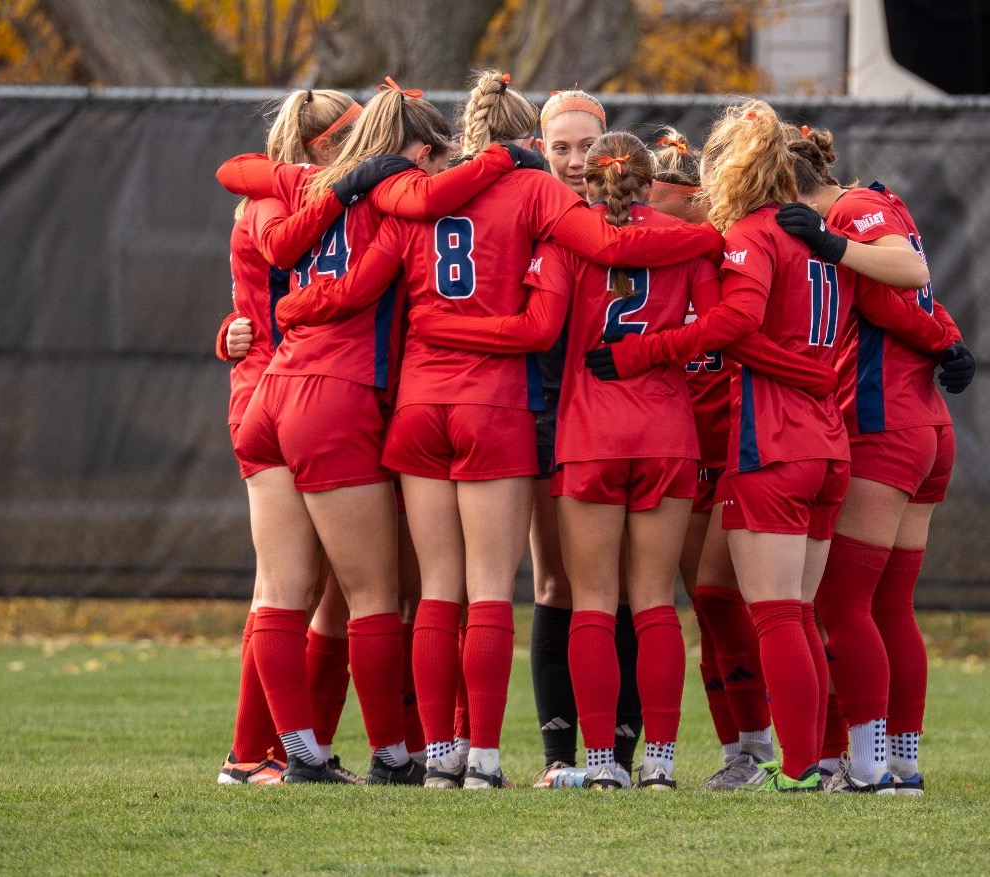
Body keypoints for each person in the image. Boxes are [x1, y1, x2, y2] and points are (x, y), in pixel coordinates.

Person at [272, 69, 724, 790]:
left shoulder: (409, 195)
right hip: (509, 407)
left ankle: (436, 756)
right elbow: (608, 254)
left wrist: (292, 310)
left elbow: (355, 283)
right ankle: (492, 759)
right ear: (526, 142)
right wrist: (701, 239)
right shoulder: (537, 193)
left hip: (420, 406)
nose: (565, 161)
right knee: (499, 591)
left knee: (437, 593)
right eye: (551, 145)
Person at [584, 100, 937, 791]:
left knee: (778, 612)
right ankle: (846, 765)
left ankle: (803, 767)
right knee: (794, 608)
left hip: (772, 443)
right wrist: (943, 342)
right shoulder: (819, 236)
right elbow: (891, 303)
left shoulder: (752, 234)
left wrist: (639, 355)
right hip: (826, 442)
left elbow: (735, 323)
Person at [223, 82, 530, 785]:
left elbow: (244, 191)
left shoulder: (286, 185)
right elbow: (396, 234)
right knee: (372, 596)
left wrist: (276, 316)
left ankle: (282, 752)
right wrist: (501, 161)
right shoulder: (384, 196)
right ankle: (391, 754)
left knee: (281, 590)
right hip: (336, 395)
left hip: (271, 392)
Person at [780, 126, 975, 795]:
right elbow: (892, 301)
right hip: (918, 421)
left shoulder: (848, 210)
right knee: (889, 603)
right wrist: (946, 338)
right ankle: (900, 761)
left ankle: (860, 765)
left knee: (841, 600)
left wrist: (830, 241)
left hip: (881, 423)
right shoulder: (874, 202)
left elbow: (905, 270)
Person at [212, 88, 367, 786]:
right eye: (357, 132)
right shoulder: (281, 197)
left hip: (312, 393)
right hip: (274, 397)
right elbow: (264, 236)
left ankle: (303, 750)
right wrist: (233, 337)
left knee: (331, 588)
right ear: (322, 145)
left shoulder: (318, 189)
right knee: (287, 584)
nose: (372, 143)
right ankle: (253, 753)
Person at [648, 127, 777, 790]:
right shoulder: (645, 259)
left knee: (730, 598)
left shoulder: (734, 253)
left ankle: (771, 744)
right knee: (704, 602)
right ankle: (739, 749)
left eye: (665, 202)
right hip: (677, 447)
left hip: (739, 447)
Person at [523, 89, 646, 782]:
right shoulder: (529, 214)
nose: (574, 160)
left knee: (627, 589)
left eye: (585, 145)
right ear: (541, 150)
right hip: (546, 417)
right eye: (559, 147)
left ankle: (623, 756)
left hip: (630, 427)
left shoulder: (643, 220)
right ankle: (559, 757)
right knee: (556, 584)